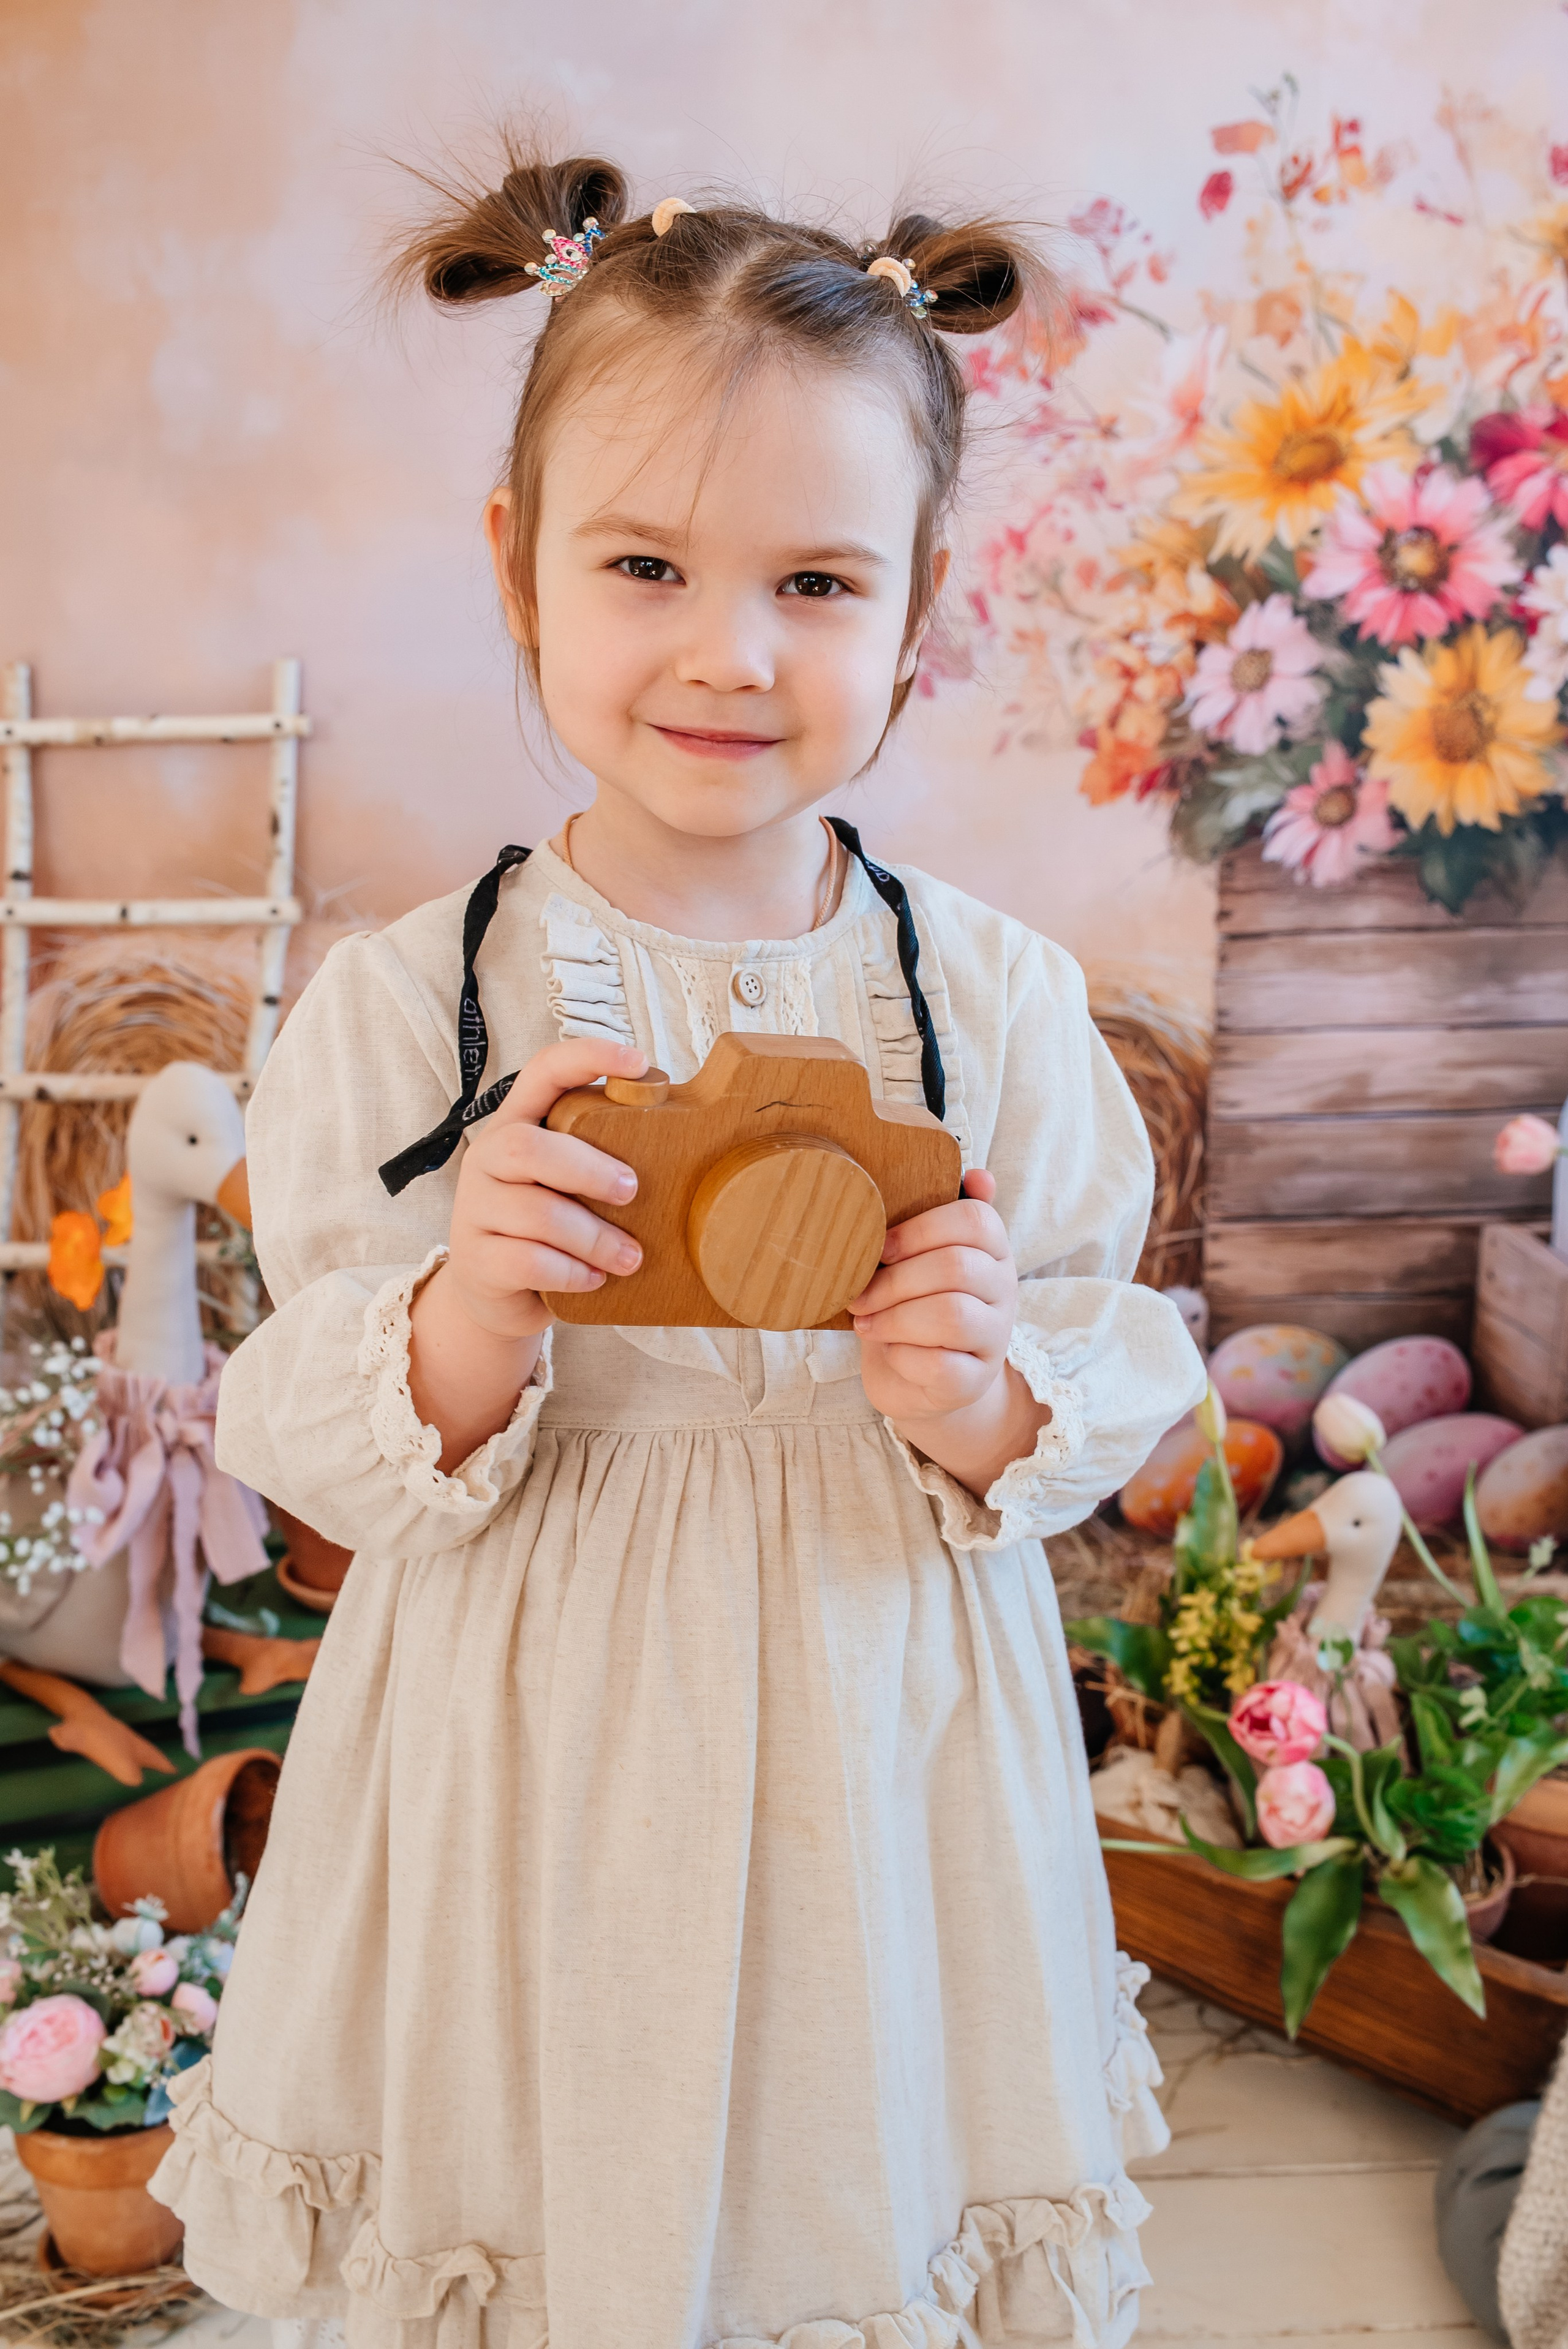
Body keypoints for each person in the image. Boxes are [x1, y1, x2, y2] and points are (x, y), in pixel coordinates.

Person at [148, 147, 1206, 2349]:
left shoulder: (992, 1004)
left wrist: (976, 1388)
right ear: (520, 568)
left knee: (847, 2153)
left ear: (922, 606)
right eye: (647, 564)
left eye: (818, 581)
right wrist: (469, 1311)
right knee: (547, 2164)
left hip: (875, 1731)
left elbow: (1107, 1362)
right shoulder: (413, 1009)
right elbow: (314, 1428)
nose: (730, 651)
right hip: (528, 1739)